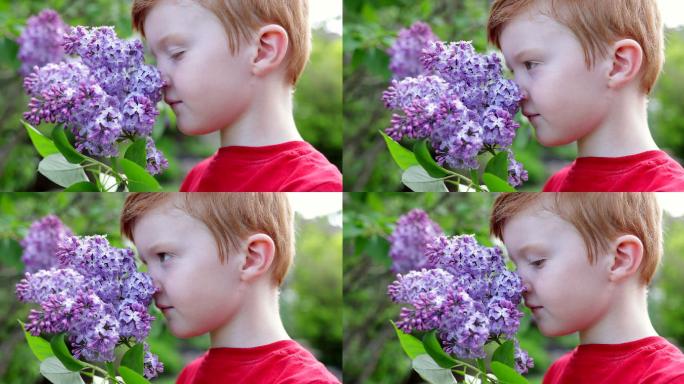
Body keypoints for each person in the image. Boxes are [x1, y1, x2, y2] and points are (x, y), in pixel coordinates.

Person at [120, 193, 340, 383]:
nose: (148, 284)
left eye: (164, 256)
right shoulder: (190, 376)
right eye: (146, 263)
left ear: (250, 259)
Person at [131, 0, 342, 191]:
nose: (158, 78)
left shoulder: (315, 186)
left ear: (263, 51)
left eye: (177, 53)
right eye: (154, 59)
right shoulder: (196, 178)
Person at [487, 0, 684, 191]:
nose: (515, 92)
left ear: (618, 65)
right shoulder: (555, 186)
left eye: (531, 64)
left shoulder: (672, 188)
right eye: (513, 71)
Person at [490, 192, 684, 383]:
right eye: (516, 265)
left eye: (537, 262)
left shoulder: (671, 378)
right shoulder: (557, 373)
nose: (518, 284)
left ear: (619, 260)